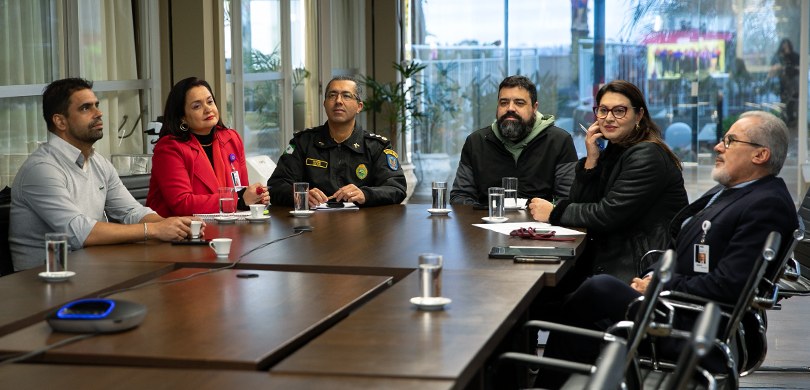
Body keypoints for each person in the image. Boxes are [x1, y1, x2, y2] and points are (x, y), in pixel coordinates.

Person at [534, 111, 798, 388]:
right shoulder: (733, 192)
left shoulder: (765, 205)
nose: (718, 147)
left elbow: (731, 285)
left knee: (596, 291)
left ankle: (546, 383)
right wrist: (652, 276)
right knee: (581, 304)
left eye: (730, 141)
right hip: (673, 300)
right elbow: (680, 245)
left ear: (760, 155)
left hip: (690, 321)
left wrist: (660, 285)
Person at [9, 78, 200, 271]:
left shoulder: (98, 162)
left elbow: (131, 212)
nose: (98, 113)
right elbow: (80, 232)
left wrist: (175, 226)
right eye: (86, 108)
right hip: (43, 282)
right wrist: (154, 230)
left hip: (90, 269)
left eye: (97, 106)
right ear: (60, 121)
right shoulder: (41, 169)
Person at [528, 80, 688, 284]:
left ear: (638, 115)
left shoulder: (646, 154)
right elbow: (580, 202)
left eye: (619, 111)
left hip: (635, 269)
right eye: (603, 110)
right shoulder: (616, 149)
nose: (609, 118)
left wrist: (554, 212)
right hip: (606, 257)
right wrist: (591, 160)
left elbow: (607, 214)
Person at [268, 75, 406, 207]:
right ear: (324, 104)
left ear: (359, 106)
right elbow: (276, 185)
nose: (338, 101)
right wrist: (300, 195)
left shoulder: (376, 146)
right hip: (314, 226)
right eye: (332, 95)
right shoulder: (303, 142)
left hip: (363, 225)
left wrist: (366, 194)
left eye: (346, 96)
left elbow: (396, 188)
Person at [146, 77, 269, 216]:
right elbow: (182, 204)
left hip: (227, 227)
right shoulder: (169, 148)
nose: (208, 109)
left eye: (210, 102)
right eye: (197, 106)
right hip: (181, 232)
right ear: (183, 117)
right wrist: (239, 200)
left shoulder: (231, 138)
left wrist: (255, 198)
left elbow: (243, 190)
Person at [450, 75, 577, 205]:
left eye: (519, 103)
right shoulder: (476, 142)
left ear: (534, 108)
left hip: (541, 224)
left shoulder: (559, 141)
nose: (510, 108)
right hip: (488, 221)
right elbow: (460, 197)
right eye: (503, 103)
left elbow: (568, 199)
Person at [769, 38, 799, 127]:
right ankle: (784, 120)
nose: (785, 47)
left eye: (786, 45)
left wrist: (790, 68)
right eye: (783, 45)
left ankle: (791, 119)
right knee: (783, 102)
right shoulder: (778, 56)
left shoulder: (795, 56)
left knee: (792, 102)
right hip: (782, 83)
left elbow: (798, 68)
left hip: (793, 82)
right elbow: (773, 66)